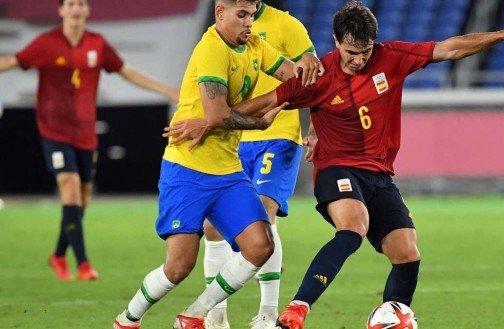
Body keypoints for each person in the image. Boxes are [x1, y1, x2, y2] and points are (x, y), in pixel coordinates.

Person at [165, 2, 504, 328]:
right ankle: (296, 310)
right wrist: (208, 120)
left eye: (364, 52)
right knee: (353, 228)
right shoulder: (319, 75)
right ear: (335, 42)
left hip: (379, 175)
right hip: (336, 169)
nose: (358, 60)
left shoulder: (391, 57)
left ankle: (390, 318)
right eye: (350, 53)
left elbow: (449, 49)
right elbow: (263, 103)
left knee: (407, 254)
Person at [112, 0, 322, 328]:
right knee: (179, 267)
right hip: (188, 170)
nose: (249, 23)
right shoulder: (211, 48)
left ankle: (197, 314)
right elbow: (219, 114)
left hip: (227, 171)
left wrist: (313, 72)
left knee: (260, 244)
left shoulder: (255, 44)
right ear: (219, 13)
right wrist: (258, 120)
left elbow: (292, 79)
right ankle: (128, 318)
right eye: (241, 15)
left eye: (252, 15)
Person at [0, 0, 179, 282]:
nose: (76, 8)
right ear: (61, 11)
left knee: (81, 199)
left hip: (84, 134)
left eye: (81, 3)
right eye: (70, 3)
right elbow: (11, 61)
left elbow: (125, 70)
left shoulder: (97, 43)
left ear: (86, 10)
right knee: (70, 189)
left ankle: (58, 255)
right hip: (54, 132)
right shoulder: (46, 43)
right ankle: (83, 264)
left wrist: (166, 90)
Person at [196, 1, 322, 329]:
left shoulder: (287, 26)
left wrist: (315, 126)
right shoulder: (222, 35)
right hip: (236, 135)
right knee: (212, 225)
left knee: (262, 216)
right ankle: (216, 314)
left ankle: (267, 313)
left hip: (278, 135)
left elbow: (314, 74)